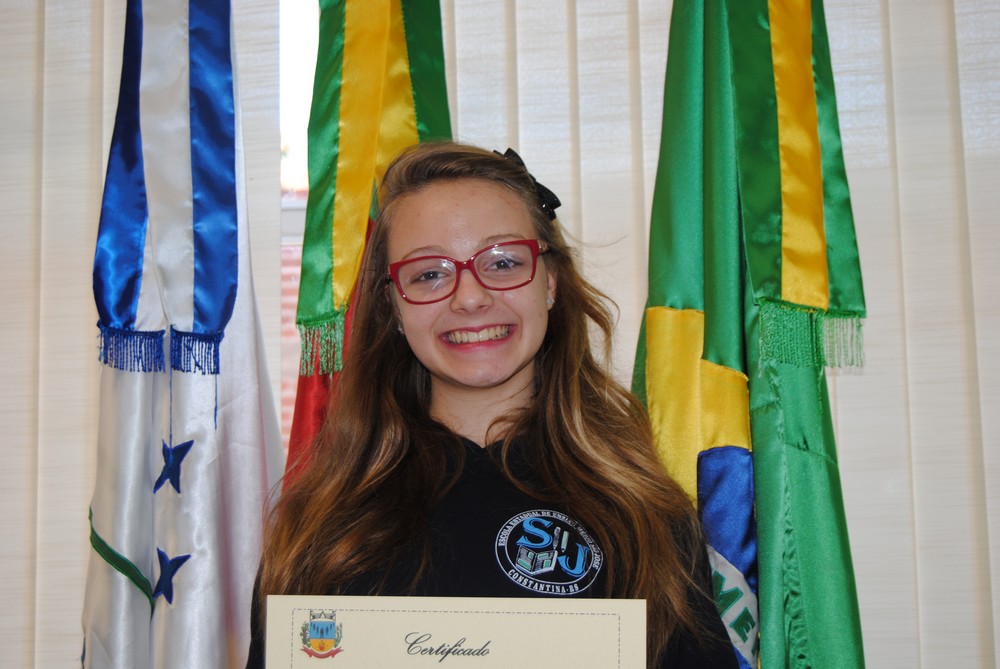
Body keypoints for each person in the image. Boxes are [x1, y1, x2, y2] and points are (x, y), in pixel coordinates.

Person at [246, 142, 738, 668]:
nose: (470, 297)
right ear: (393, 306)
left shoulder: (644, 516)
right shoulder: (322, 526)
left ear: (550, 283)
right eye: (429, 273)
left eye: (502, 262)